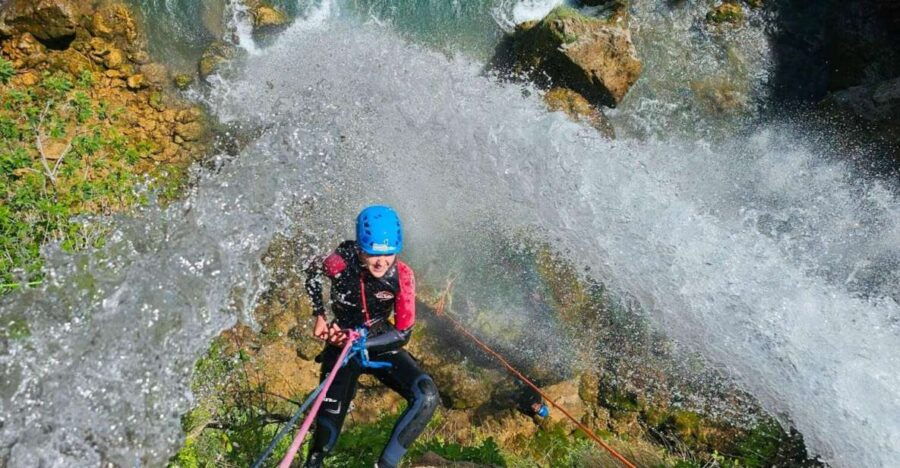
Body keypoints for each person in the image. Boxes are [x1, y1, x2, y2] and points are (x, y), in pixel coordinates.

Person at [303, 205, 439, 468]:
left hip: (379, 343)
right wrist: (318, 314)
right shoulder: (340, 262)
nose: (381, 262)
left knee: (427, 395)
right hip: (342, 349)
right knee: (323, 441)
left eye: (388, 254)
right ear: (360, 248)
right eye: (372, 253)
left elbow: (403, 333)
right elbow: (311, 271)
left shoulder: (402, 276)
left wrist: (361, 342)